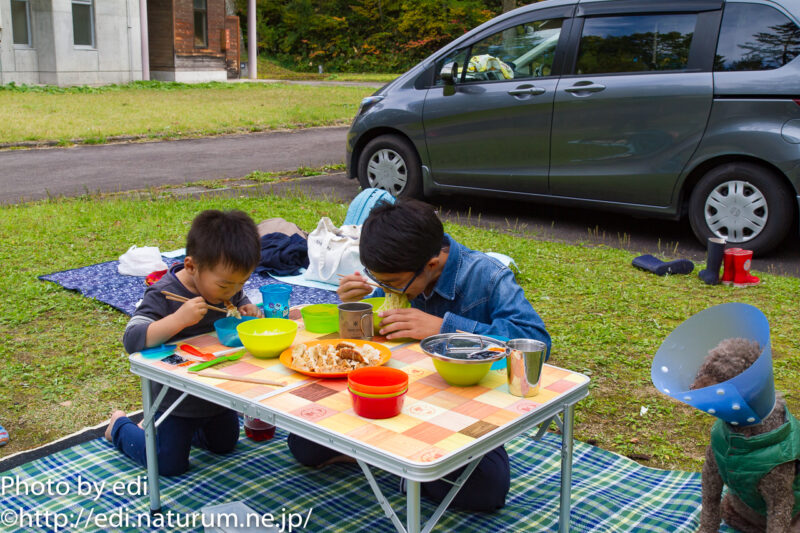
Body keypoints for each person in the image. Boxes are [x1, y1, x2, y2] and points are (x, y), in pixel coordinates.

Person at [288, 199, 551, 512]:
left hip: (461, 410)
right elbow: (374, 329)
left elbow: (536, 342)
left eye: (394, 284)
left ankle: (390, 468)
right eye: (379, 279)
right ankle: (399, 467)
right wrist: (356, 301)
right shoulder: (402, 270)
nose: (386, 289)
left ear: (432, 264)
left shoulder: (486, 276)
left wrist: (446, 329)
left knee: (487, 489)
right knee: (302, 444)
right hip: (394, 394)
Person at [106, 209, 262, 476]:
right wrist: (178, 320)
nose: (233, 292)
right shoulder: (165, 293)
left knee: (225, 444)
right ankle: (119, 426)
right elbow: (132, 339)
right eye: (226, 286)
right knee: (168, 465)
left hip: (214, 394)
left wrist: (246, 304)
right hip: (175, 400)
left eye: (241, 284)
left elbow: (235, 294)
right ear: (191, 266)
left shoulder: (225, 285)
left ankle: (169, 432)